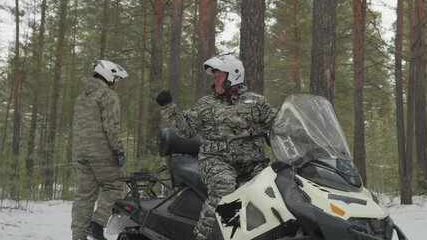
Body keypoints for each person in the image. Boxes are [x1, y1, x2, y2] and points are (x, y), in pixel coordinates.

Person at [157, 55, 277, 240]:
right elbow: (186, 129)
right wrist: (168, 107)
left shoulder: (257, 102)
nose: (215, 78)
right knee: (225, 188)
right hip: (215, 161)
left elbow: (278, 124)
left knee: (277, 186)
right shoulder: (207, 104)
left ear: (234, 75)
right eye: (215, 75)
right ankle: (204, 236)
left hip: (253, 163)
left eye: (219, 74)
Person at [71, 59, 128, 240]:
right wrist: (118, 149)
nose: (114, 83)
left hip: (82, 154)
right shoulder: (107, 96)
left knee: (84, 195)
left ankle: (78, 236)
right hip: (102, 153)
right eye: (114, 78)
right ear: (107, 74)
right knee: (116, 185)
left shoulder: (82, 98)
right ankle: (97, 224)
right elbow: (111, 126)